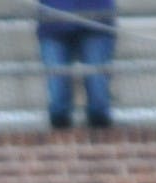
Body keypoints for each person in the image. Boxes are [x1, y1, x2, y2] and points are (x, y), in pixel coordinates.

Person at [37, 0, 117, 129]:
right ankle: (60, 144)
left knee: (99, 104)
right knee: (58, 107)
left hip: (97, 21)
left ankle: (100, 143)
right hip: (53, 24)